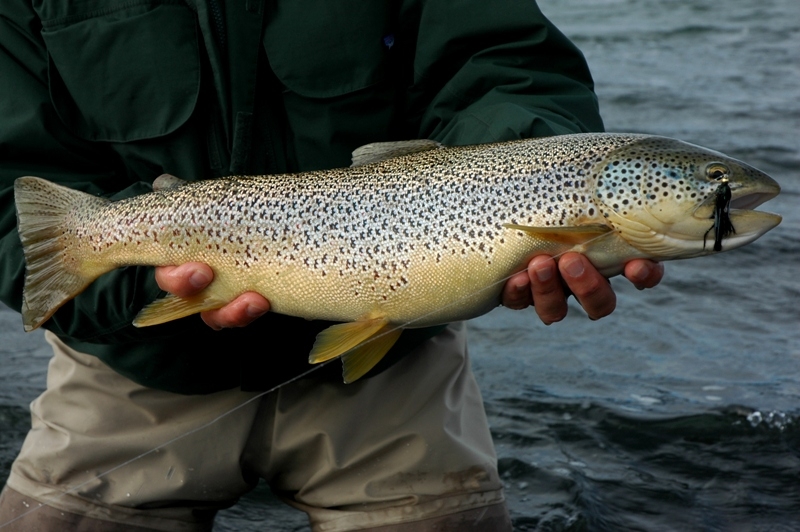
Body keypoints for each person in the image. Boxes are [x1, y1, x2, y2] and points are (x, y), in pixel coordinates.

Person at [0, 1, 663, 530]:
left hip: (395, 367)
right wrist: (139, 285)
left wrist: (543, 183)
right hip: (132, 366)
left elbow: (502, 65)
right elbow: (8, 198)